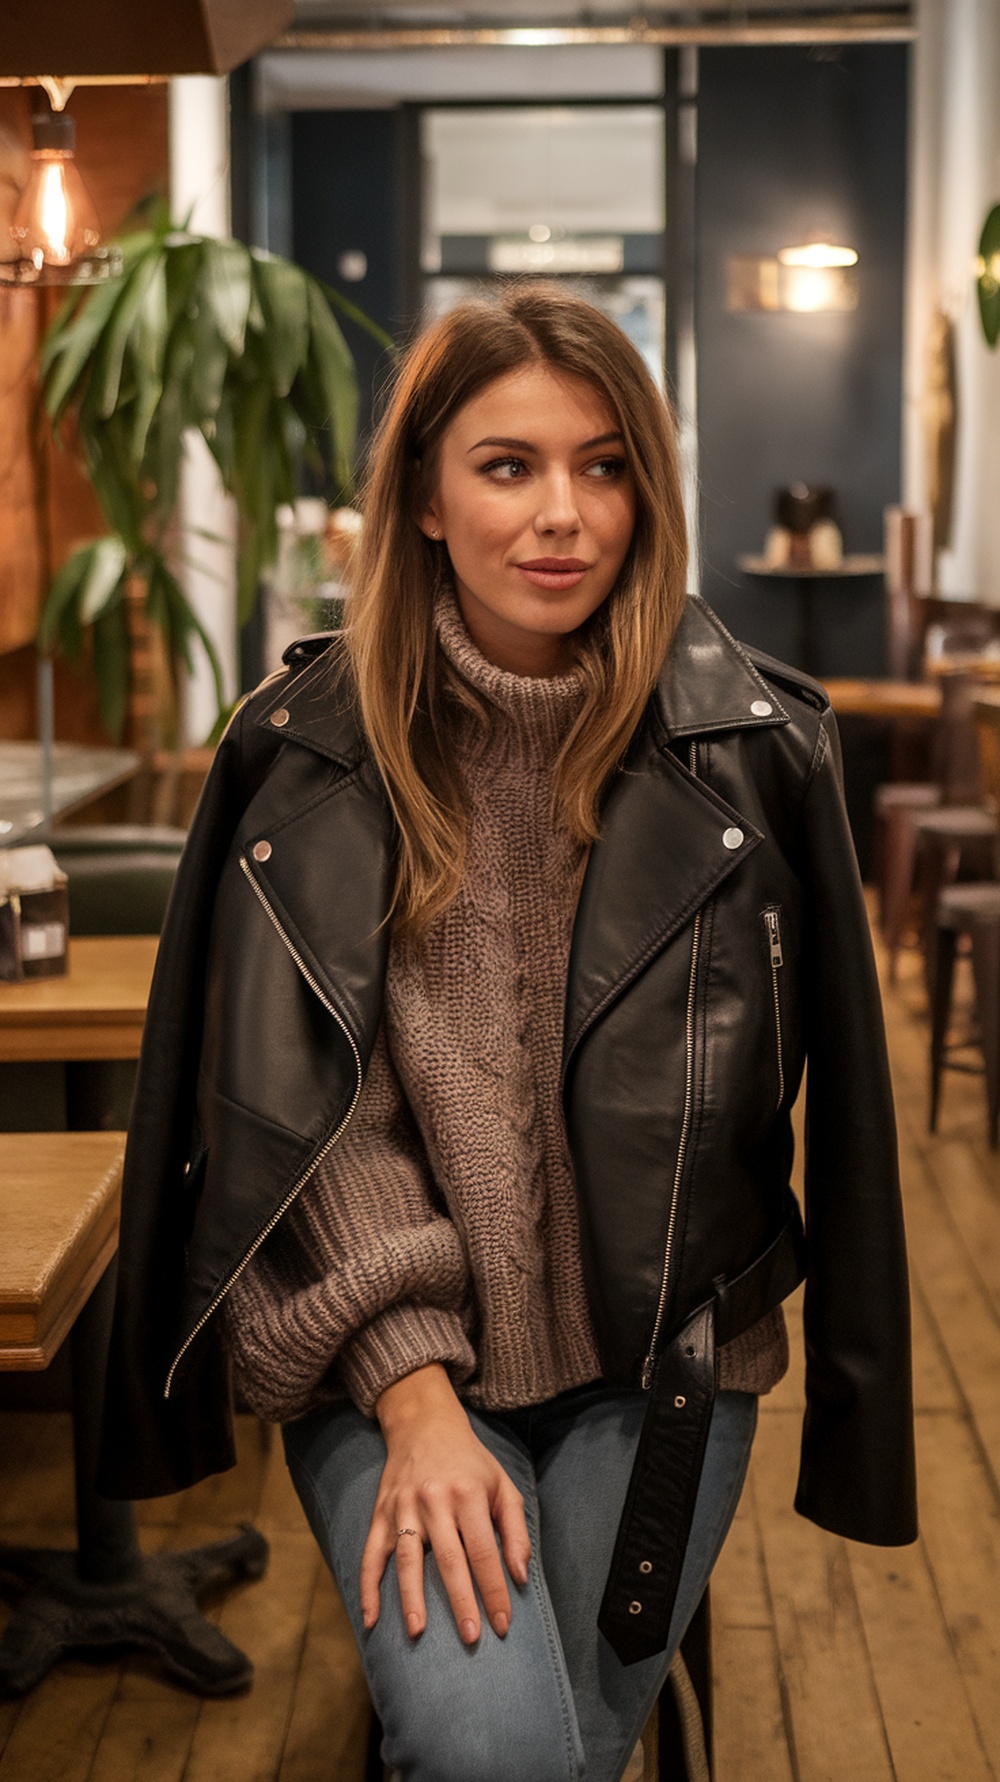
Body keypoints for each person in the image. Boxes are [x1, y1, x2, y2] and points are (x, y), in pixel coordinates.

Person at [99, 286, 917, 1782]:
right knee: (502, 1754)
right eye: (507, 465)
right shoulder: (304, 757)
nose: (564, 515)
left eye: (605, 466)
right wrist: (414, 1393)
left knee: (548, 1754)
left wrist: (861, 1407)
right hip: (384, 1346)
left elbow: (846, 1114)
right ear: (421, 493)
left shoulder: (757, 752)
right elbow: (296, 1103)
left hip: (661, 1353)